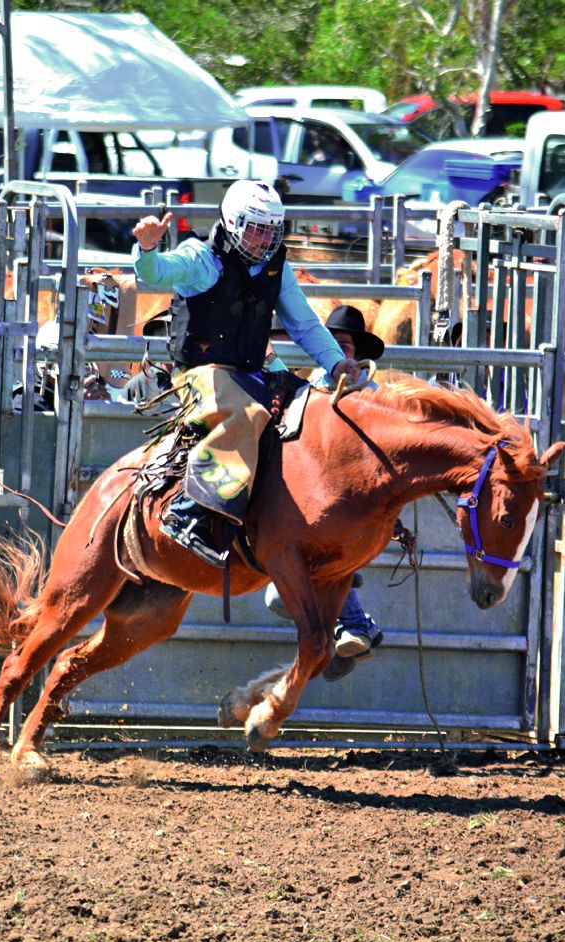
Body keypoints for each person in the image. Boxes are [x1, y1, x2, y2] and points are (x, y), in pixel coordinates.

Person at [130, 179, 361, 567]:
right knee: (248, 413)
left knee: (312, 410)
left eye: (272, 229)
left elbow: (305, 325)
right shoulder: (200, 258)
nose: (264, 238)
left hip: (251, 373)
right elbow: (155, 274)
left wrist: (336, 362)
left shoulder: (277, 268)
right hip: (198, 374)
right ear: (233, 222)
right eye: (256, 227)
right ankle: (189, 511)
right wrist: (148, 248)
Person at [264, 305, 386, 679]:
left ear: (357, 350)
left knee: (287, 585)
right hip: (315, 499)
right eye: (332, 342)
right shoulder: (314, 383)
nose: (340, 349)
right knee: (287, 586)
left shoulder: (372, 393)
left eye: (345, 344)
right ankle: (353, 629)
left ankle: (351, 629)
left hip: (352, 504)